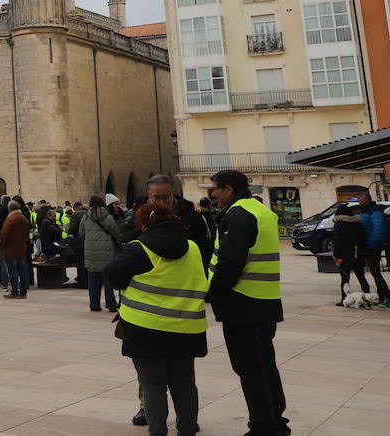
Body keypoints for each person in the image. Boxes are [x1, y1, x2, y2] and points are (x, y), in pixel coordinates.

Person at [106, 200, 208, 436]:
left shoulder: (139, 248)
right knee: (184, 384)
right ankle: (187, 430)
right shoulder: (192, 247)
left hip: (146, 328)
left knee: (152, 384)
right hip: (186, 326)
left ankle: (158, 431)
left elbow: (113, 274)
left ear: (144, 224)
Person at [208, 169, 288, 436]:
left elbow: (230, 263)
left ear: (228, 189)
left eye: (216, 189)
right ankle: (277, 421)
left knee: (249, 369)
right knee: (265, 365)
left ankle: (263, 427)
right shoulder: (260, 210)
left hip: (241, 303)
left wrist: (213, 292)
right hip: (265, 300)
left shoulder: (238, 214)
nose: (214, 195)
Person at [356, 190, 390, 308]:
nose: (359, 200)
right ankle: (384, 297)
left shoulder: (375, 212)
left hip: (372, 247)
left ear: (366, 199)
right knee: (375, 273)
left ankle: (388, 298)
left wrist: (371, 245)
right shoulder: (367, 211)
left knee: (376, 274)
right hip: (368, 246)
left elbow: (379, 230)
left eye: (360, 198)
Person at [82, 195, 122, 311]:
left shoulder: (85, 216)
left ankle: (94, 304)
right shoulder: (107, 216)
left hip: (90, 252)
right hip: (107, 251)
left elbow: (81, 232)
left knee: (93, 279)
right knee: (108, 280)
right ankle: (110, 304)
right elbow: (115, 232)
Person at [331, 202, 369, 304]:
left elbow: (337, 241)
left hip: (344, 256)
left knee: (345, 278)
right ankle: (366, 296)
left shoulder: (339, 225)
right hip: (358, 254)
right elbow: (363, 239)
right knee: (361, 276)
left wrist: (336, 255)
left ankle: (344, 299)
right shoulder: (357, 224)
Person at [0, 198, 31, 299]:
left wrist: (1, 245)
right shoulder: (23, 218)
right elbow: (26, 233)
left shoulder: (10, 219)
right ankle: (23, 292)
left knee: (12, 271)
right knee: (22, 270)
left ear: (9, 209)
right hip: (21, 248)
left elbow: (4, 235)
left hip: (10, 249)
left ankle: (14, 292)